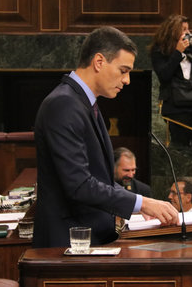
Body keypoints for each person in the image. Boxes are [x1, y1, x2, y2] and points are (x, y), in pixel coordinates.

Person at [33, 26, 179, 248]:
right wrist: (141, 203)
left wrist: (139, 207)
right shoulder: (63, 104)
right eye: (123, 70)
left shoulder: (83, 101)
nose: (127, 80)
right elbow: (79, 185)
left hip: (86, 235)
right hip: (67, 244)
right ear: (99, 61)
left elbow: (99, 178)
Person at [151, 14, 192, 154]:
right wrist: (178, 52)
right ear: (173, 31)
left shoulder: (191, 52)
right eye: (184, 29)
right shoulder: (159, 51)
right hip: (176, 107)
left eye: (188, 29)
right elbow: (164, 75)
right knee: (181, 148)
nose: (188, 33)